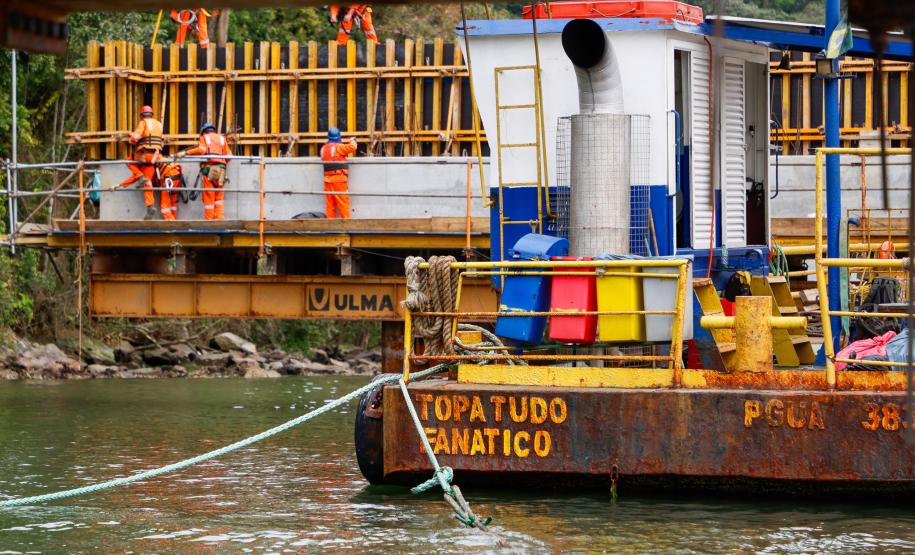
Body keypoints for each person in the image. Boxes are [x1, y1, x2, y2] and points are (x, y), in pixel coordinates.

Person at [110, 105, 163, 220]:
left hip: (144, 154)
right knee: (147, 183)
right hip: (155, 157)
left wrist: (130, 138)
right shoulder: (158, 124)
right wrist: (118, 185)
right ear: (151, 114)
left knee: (128, 161)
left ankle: (141, 177)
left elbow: (135, 138)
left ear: (142, 115)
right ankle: (150, 207)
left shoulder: (143, 123)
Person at [177, 122, 231, 220]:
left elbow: (201, 150)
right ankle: (220, 221)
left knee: (209, 200)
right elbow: (229, 156)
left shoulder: (204, 137)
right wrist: (221, 162)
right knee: (218, 199)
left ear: (204, 131)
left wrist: (186, 152)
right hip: (221, 171)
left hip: (209, 170)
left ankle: (210, 223)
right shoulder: (222, 139)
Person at [320, 128, 358, 219]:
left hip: (327, 181)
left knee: (330, 205)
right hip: (339, 180)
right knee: (343, 204)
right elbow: (353, 147)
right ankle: (346, 227)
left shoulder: (323, 148)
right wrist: (352, 140)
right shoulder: (339, 147)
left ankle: (330, 229)